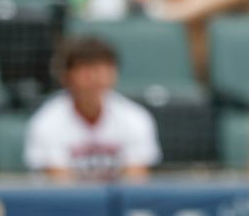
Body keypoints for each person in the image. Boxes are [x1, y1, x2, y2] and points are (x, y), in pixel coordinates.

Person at [24, 37, 160, 181]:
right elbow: (60, 188)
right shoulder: (46, 122)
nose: (97, 78)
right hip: (70, 202)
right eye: (88, 70)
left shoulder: (135, 117)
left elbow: (135, 183)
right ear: (66, 76)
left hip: (118, 202)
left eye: (104, 70)